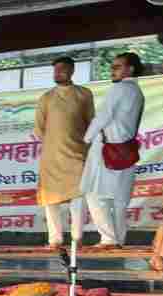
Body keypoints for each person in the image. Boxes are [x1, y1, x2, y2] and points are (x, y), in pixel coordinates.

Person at [80, 52, 145, 249]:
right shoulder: (137, 91)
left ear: (130, 69)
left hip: (109, 148)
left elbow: (103, 117)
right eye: (113, 66)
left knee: (95, 195)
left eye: (117, 66)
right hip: (126, 149)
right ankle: (118, 240)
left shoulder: (120, 88)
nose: (112, 70)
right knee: (119, 200)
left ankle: (108, 239)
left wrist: (86, 140)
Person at [34, 57, 95, 250]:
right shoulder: (46, 97)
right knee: (50, 200)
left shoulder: (84, 94)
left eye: (61, 69)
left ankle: (77, 238)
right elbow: (39, 129)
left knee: (77, 198)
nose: (57, 73)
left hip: (77, 153)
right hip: (51, 157)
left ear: (72, 71)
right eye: (55, 70)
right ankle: (55, 240)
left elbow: (91, 123)